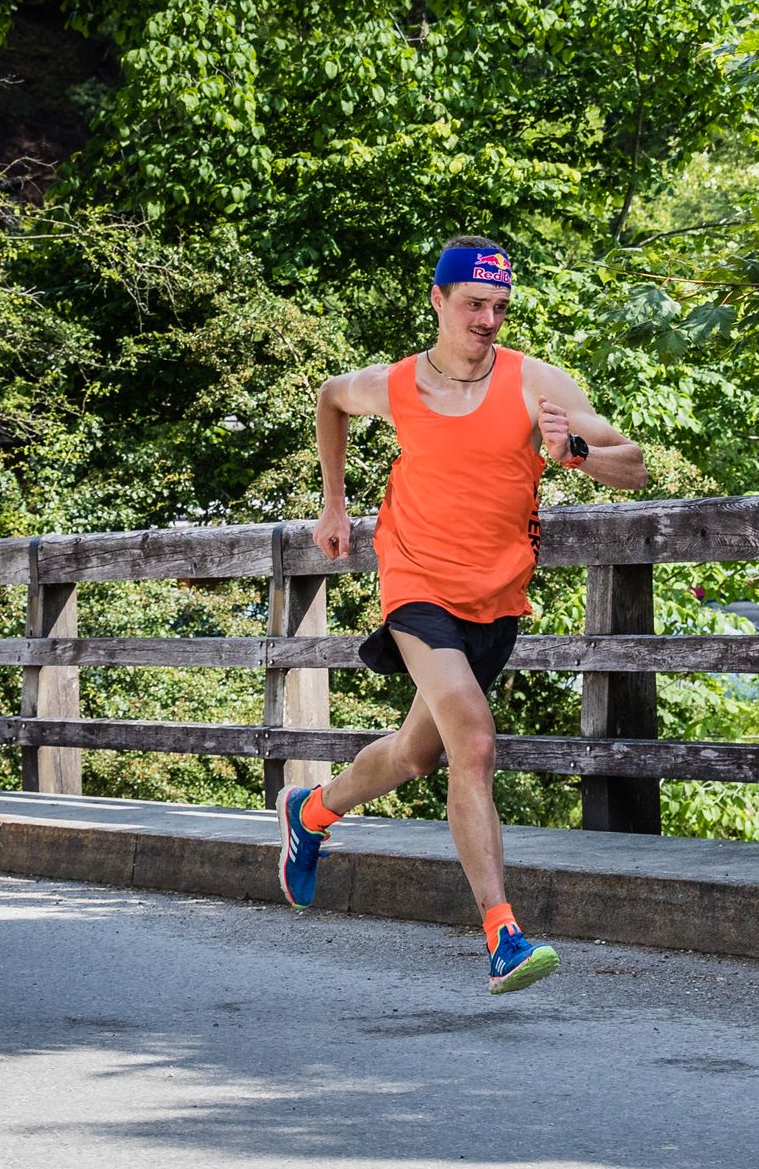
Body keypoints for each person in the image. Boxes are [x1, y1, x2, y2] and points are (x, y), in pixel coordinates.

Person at [276, 235, 647, 993]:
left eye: (500, 307)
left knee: (420, 756)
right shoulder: (399, 385)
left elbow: (635, 465)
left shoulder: (532, 383)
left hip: (496, 600)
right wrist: (335, 504)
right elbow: (329, 397)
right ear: (439, 300)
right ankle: (502, 935)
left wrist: (574, 451)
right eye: (474, 304)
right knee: (474, 743)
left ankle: (310, 812)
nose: (488, 319)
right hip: (415, 584)